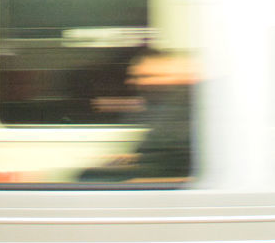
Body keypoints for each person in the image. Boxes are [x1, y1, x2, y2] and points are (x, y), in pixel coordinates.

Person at [78, 49, 195, 182]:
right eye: (135, 77)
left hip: (162, 178)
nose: (135, 82)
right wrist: (129, 158)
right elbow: (160, 155)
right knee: (90, 173)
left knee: (89, 177)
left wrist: (140, 182)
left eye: (146, 77)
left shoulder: (183, 111)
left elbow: (181, 164)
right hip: (153, 169)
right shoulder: (161, 107)